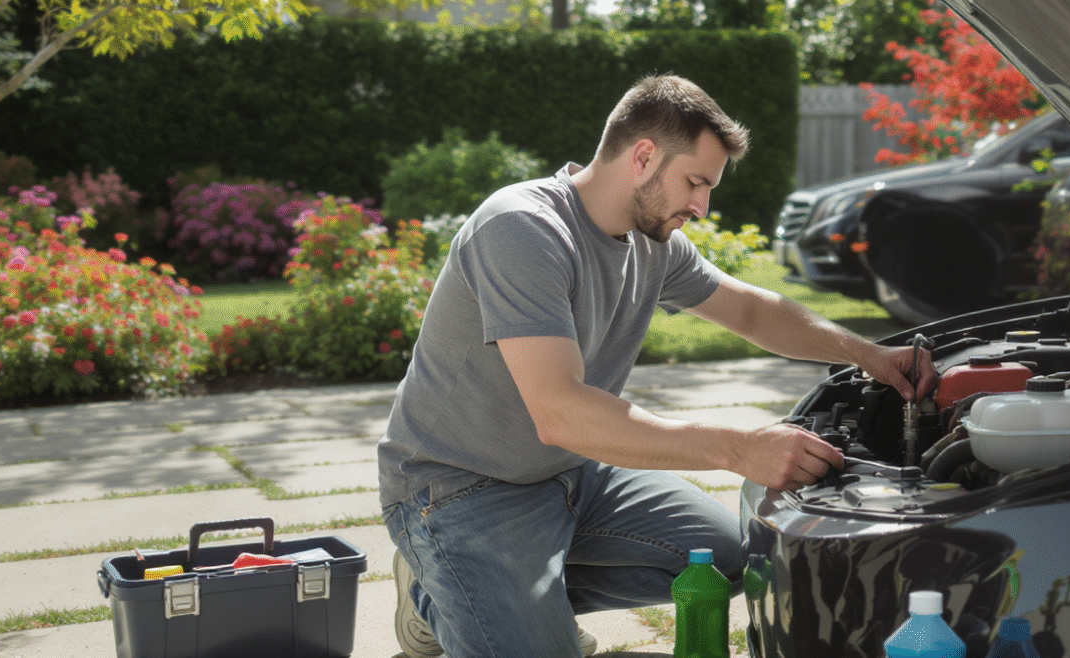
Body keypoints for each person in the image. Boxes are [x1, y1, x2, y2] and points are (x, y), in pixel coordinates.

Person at [379, 74, 938, 658]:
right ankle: (438, 589)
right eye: (695, 182)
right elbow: (563, 413)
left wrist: (868, 354)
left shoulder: (653, 242)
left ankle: (496, 597)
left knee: (731, 557)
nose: (701, 206)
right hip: (458, 489)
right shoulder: (523, 229)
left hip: (573, 473)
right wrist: (740, 448)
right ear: (643, 156)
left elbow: (750, 310)